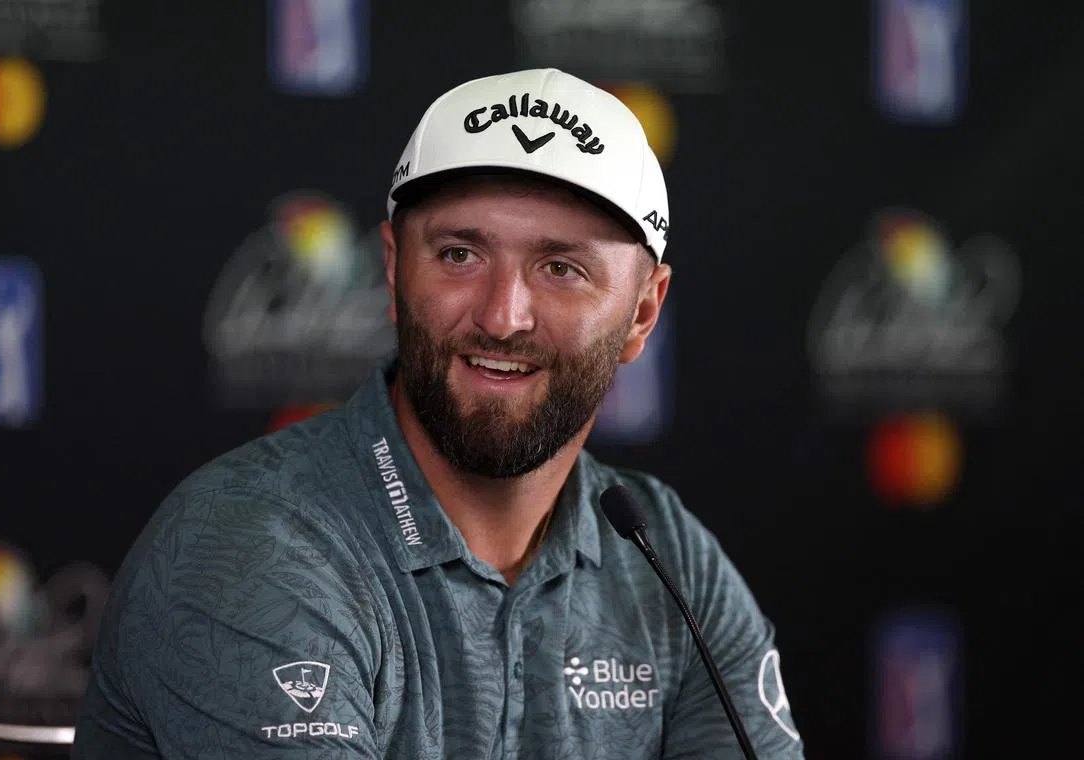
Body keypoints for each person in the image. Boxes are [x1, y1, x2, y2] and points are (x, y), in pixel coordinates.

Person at [72, 67, 805, 759]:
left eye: (562, 269)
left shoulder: (667, 556)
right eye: (459, 255)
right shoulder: (249, 543)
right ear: (393, 268)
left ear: (643, 312)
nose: (502, 315)